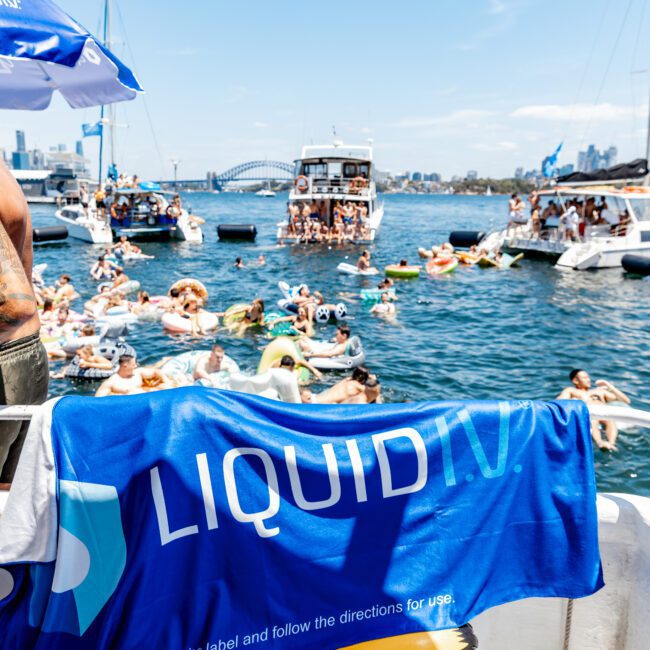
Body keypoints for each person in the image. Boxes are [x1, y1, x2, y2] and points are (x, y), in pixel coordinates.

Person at [0, 159, 48, 483]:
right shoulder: (7, 177)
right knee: (11, 497)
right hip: (30, 350)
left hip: (4, 359)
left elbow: (11, 304)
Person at [557, 369, 631, 451]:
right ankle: (600, 443)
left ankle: (611, 444)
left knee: (610, 421)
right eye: (584, 378)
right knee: (593, 422)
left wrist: (610, 387)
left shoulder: (600, 391)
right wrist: (572, 402)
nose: (588, 380)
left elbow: (626, 401)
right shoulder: (571, 391)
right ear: (575, 380)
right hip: (589, 413)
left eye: (588, 377)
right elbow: (560, 400)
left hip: (604, 413)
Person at [96, 354, 175, 397]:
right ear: (125, 365)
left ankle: (164, 360)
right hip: (132, 407)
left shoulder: (138, 373)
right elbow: (97, 401)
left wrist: (166, 381)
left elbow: (155, 372)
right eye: (133, 364)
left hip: (147, 398)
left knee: (167, 387)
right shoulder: (111, 383)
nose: (136, 366)